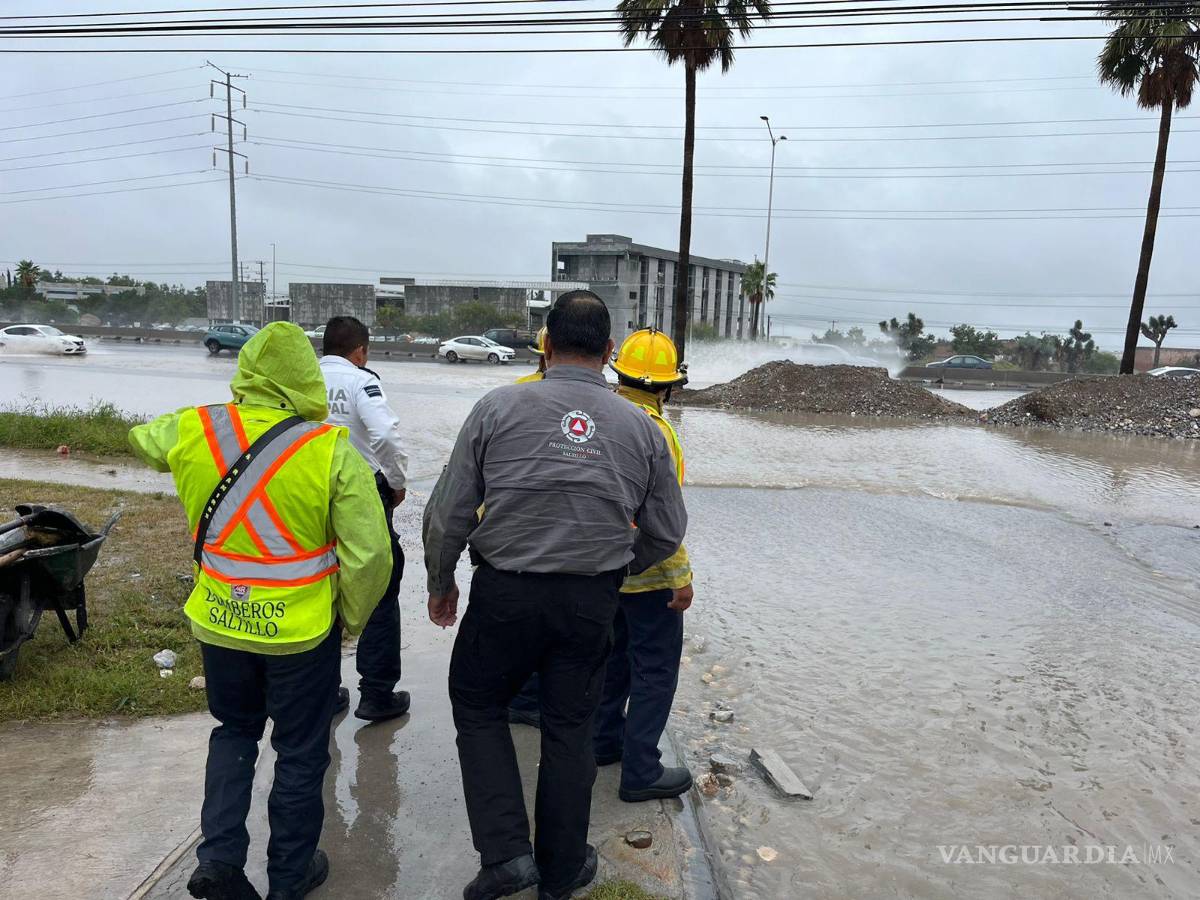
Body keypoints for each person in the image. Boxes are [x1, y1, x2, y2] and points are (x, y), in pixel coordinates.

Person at [422, 291, 688, 900]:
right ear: (608, 352)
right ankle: (563, 869)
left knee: (479, 702)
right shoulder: (642, 429)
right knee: (572, 725)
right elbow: (668, 531)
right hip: (590, 603)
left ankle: (507, 856)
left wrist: (443, 583)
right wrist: (616, 570)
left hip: (504, 593)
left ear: (545, 342)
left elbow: (446, 514)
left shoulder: (496, 407)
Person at [128, 322, 392, 900]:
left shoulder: (194, 427)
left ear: (246, 370)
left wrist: (199, 432)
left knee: (233, 733)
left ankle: (219, 862)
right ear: (305, 379)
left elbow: (142, 438)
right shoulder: (329, 450)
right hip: (300, 634)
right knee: (300, 752)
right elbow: (370, 555)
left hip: (220, 622)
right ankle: (289, 878)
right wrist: (348, 618)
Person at [593, 328, 696, 802]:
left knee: (613, 661)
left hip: (604, 565)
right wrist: (682, 578)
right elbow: (665, 518)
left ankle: (603, 743)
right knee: (654, 671)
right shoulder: (659, 431)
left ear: (621, 374)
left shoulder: (601, 417)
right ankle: (640, 771)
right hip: (651, 574)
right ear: (668, 385)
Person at [319, 315, 412, 722]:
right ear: (360, 350)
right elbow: (386, 435)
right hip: (359, 496)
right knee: (378, 586)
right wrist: (396, 481)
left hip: (305, 496)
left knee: (319, 586)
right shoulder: (361, 381)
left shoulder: (300, 381)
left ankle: (321, 692)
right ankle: (376, 694)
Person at [506, 325, 547, 728]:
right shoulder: (600, 402)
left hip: (514, 528)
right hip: (561, 534)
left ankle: (518, 695)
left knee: (519, 630)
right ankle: (531, 700)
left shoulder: (511, 394)